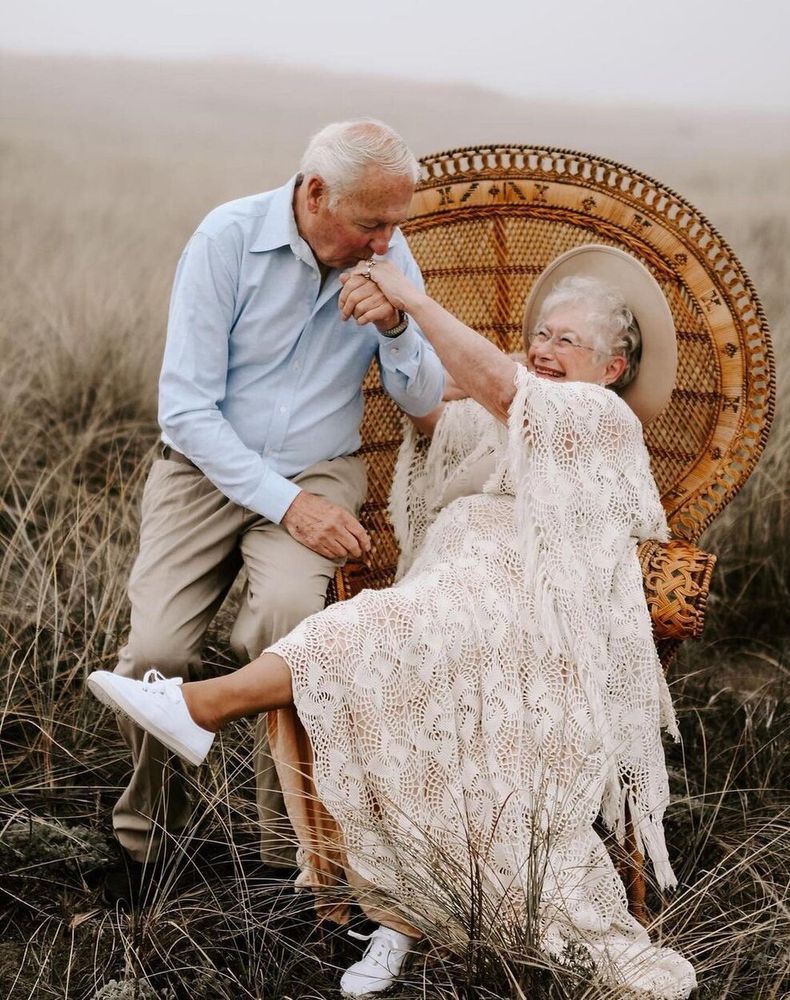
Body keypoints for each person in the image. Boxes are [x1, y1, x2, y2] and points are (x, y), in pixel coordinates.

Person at [88, 245, 696, 998]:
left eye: (566, 341)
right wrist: (399, 330)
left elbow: (502, 388)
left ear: (610, 368)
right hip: (454, 582)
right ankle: (399, 914)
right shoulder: (511, 413)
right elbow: (435, 412)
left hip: (529, 600)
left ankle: (200, 707)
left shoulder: (597, 418)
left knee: (359, 638)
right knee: (388, 655)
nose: (543, 349)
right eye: (541, 335)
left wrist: (411, 295)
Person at [109, 118, 445, 877]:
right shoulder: (225, 240)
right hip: (201, 468)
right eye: (372, 222)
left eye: (397, 223)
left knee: (286, 628)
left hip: (319, 468)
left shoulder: (391, 259)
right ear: (315, 192)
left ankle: (283, 855)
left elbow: (424, 400)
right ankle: (146, 841)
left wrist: (397, 325)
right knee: (154, 653)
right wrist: (284, 505)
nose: (386, 242)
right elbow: (185, 411)